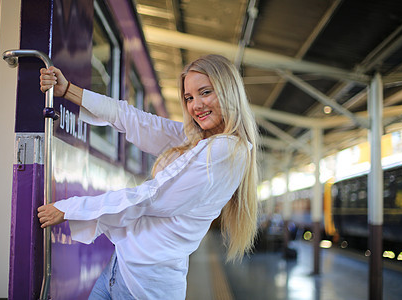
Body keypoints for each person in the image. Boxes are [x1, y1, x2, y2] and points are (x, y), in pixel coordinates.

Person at [37, 54, 261, 299]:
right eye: (189, 97)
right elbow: (136, 120)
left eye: (205, 92)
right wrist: (68, 90)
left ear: (229, 91)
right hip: (120, 269)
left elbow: (153, 197)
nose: (195, 105)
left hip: (145, 287)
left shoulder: (227, 149)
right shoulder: (200, 139)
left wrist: (72, 208)